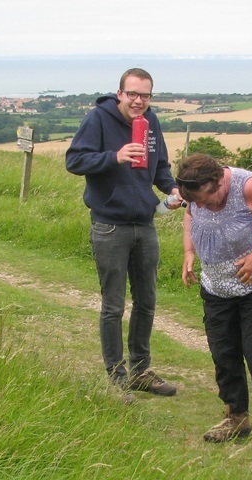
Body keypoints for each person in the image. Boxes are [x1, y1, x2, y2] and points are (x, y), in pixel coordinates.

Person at [66, 68, 180, 401]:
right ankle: (115, 377)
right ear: (120, 93)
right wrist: (114, 157)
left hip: (145, 223)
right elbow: (75, 160)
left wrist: (173, 190)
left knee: (146, 302)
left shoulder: (152, 121)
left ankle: (141, 372)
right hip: (109, 224)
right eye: (132, 94)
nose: (138, 101)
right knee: (113, 306)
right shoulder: (98, 119)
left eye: (145, 95)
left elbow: (160, 168)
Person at [177, 153, 252, 456]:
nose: (204, 205)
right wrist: (189, 251)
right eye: (198, 201)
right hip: (217, 286)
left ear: (219, 179)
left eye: (209, 198)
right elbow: (190, 215)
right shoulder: (194, 194)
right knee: (224, 352)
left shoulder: (250, 187)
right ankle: (236, 417)